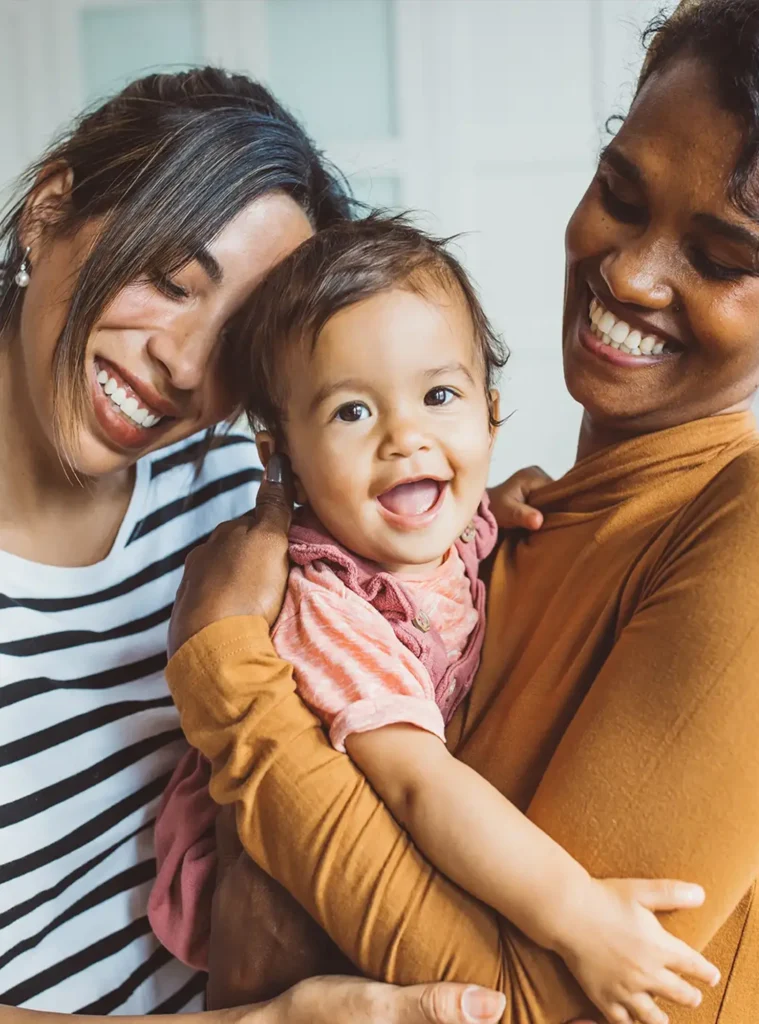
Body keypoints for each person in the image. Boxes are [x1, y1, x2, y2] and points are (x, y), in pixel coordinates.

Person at [164, 2, 759, 1023]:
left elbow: (529, 1008)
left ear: (480, 395)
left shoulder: (742, 525)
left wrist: (229, 681)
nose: (627, 273)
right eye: (618, 194)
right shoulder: (495, 523)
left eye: (720, 257)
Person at [0, 66, 515, 1024]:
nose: (185, 368)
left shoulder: (239, 494)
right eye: (168, 282)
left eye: (235, 348)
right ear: (48, 210)